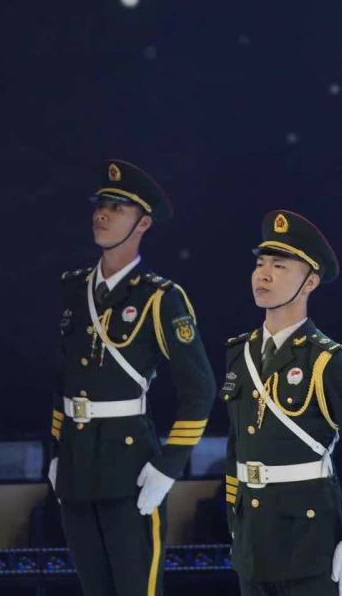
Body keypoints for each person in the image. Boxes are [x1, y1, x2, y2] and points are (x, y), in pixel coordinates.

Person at [48, 159, 215, 596]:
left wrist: (169, 465)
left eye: (117, 208)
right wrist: (57, 450)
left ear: (143, 223)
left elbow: (200, 389)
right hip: (76, 465)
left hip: (130, 467)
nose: (102, 215)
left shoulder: (159, 298)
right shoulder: (73, 288)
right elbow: (63, 378)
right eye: (100, 205)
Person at [222, 210, 342, 596]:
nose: (263, 275)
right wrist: (234, 519)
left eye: (279, 266)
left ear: (310, 282)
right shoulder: (240, 353)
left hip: (309, 544)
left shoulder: (329, 361)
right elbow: (237, 445)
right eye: (260, 264)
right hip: (252, 543)